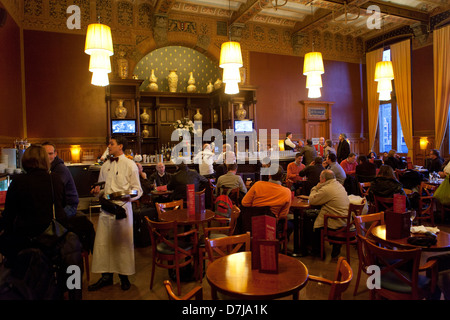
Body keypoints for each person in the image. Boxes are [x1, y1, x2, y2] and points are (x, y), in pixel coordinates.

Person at [0, 144, 82, 299]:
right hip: (52, 239)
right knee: (73, 250)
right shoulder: (55, 179)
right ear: (45, 160)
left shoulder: (17, 181)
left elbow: (9, 216)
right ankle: (74, 291)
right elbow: (62, 207)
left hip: (25, 240)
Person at [88, 135, 143, 292]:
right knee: (104, 244)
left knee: (122, 245)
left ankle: (124, 277)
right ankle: (106, 277)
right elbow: (103, 189)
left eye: (111, 144)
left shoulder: (130, 165)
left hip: (122, 208)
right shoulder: (105, 165)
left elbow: (138, 190)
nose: (109, 146)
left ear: (120, 146)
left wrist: (129, 196)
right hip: (106, 209)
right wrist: (97, 191)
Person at [241, 165, 293, 237]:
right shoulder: (287, 192)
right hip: (271, 227)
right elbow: (283, 215)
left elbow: (244, 203)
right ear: (282, 176)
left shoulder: (258, 185)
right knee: (291, 224)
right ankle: (279, 245)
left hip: (251, 225)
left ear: (269, 175)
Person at [309, 170, 350, 258]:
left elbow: (312, 200)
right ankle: (318, 248)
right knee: (314, 215)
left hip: (335, 220)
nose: (319, 179)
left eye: (320, 177)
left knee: (309, 217)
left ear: (323, 179)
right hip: (345, 219)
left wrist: (315, 188)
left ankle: (317, 250)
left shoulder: (327, 189)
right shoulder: (338, 185)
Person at [42, 141, 79, 217]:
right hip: (60, 204)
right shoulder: (47, 167)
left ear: (55, 154)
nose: (48, 156)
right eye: (45, 154)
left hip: (69, 206)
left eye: (50, 154)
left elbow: (55, 189)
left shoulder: (60, 169)